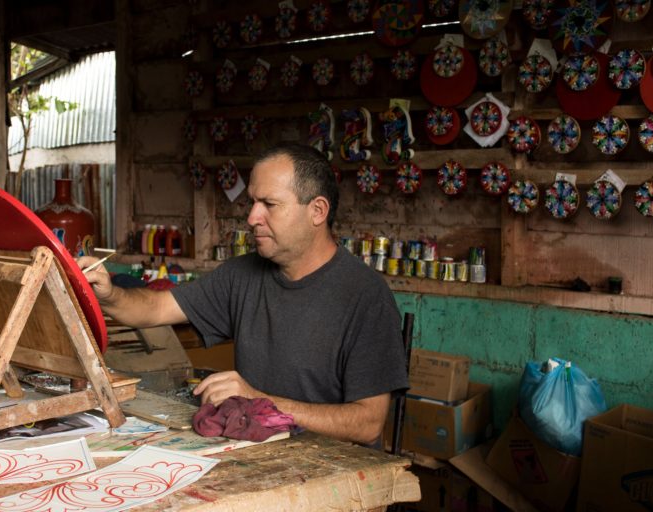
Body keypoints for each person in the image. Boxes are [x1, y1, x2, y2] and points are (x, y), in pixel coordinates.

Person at [79, 143, 408, 445]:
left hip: (334, 474)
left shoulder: (365, 296)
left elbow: (368, 423)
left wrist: (259, 401)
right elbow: (156, 308)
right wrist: (110, 296)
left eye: (270, 204)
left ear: (317, 211)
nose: (252, 217)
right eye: (252, 202)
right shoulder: (243, 275)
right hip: (255, 457)